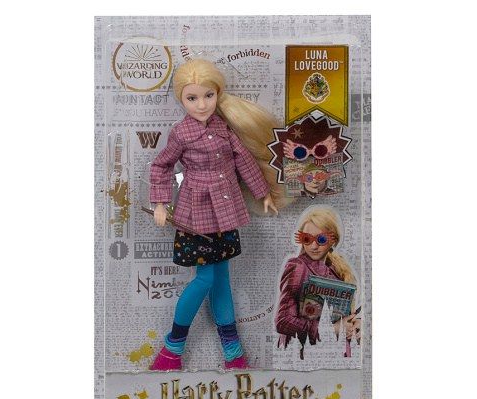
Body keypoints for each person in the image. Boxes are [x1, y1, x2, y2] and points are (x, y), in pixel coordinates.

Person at [149, 59, 285, 370]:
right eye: (192, 98)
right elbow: (161, 165)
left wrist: (263, 193)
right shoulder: (181, 133)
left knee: (222, 277)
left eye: (208, 96)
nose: (201, 105)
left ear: (217, 94)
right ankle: (172, 346)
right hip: (196, 211)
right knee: (205, 278)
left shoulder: (224, 128)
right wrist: (160, 202)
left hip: (225, 211)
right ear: (181, 99)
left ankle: (232, 350)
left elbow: (243, 160)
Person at [275, 206, 360, 357]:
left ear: (333, 240)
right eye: (307, 239)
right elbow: (283, 321)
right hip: (305, 354)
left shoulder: (337, 269)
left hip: (335, 354)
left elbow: (343, 316)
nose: (313, 246)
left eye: (321, 239)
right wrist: (332, 329)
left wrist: (354, 323)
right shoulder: (298, 267)